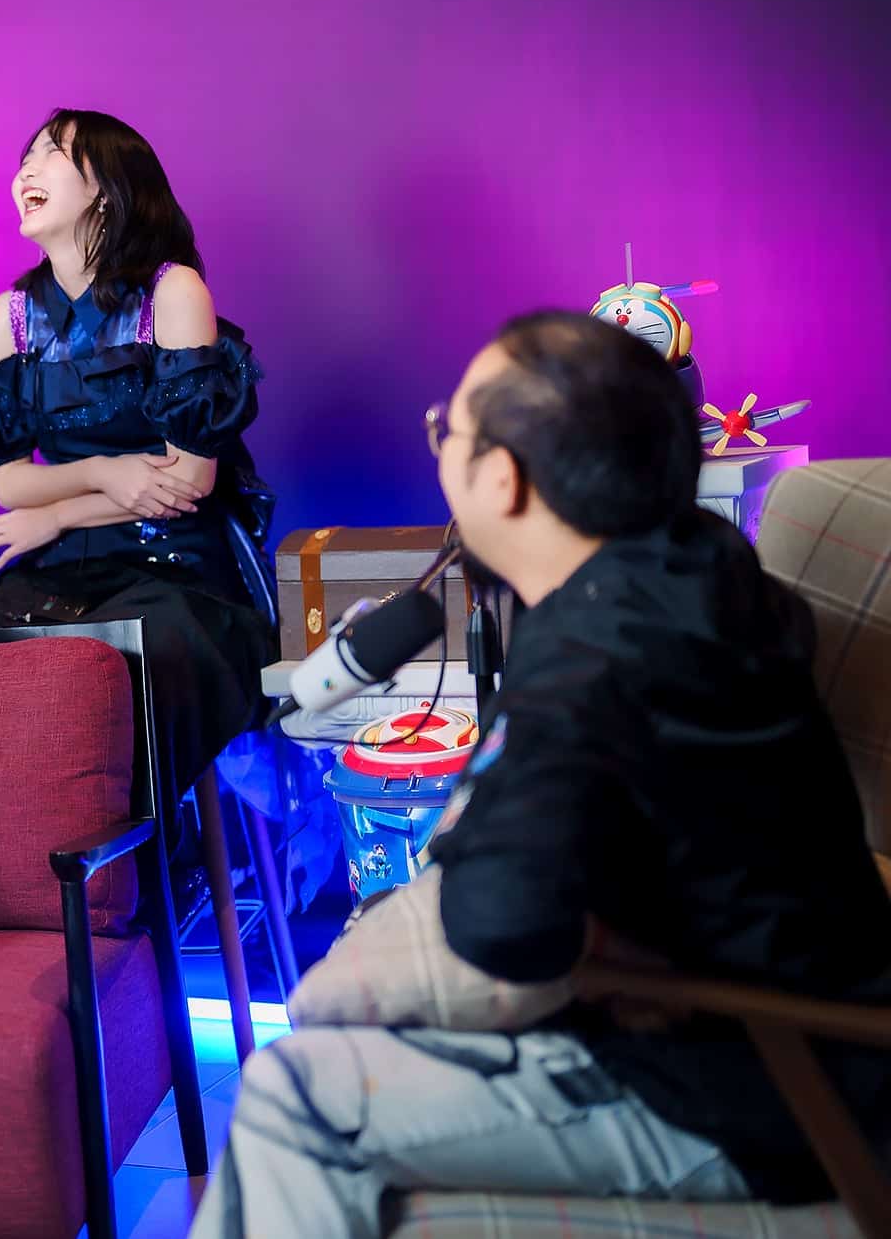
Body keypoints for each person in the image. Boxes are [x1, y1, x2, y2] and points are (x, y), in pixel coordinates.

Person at [195, 312, 891, 1236]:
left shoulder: (593, 657)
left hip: (762, 1091)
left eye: (449, 429)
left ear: (501, 478)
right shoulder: (697, 562)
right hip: (801, 1038)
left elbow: (502, 925)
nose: (439, 446)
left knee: (290, 1090)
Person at [0, 107, 274, 811]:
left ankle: (129, 858)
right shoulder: (9, 317)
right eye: (24, 158)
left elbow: (190, 480)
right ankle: (28, 858)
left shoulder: (172, 292)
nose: (26, 171)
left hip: (174, 558)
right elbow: (10, 485)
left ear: (104, 187)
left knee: (129, 680)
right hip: (63, 564)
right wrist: (104, 473)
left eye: (51, 155)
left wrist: (58, 512)